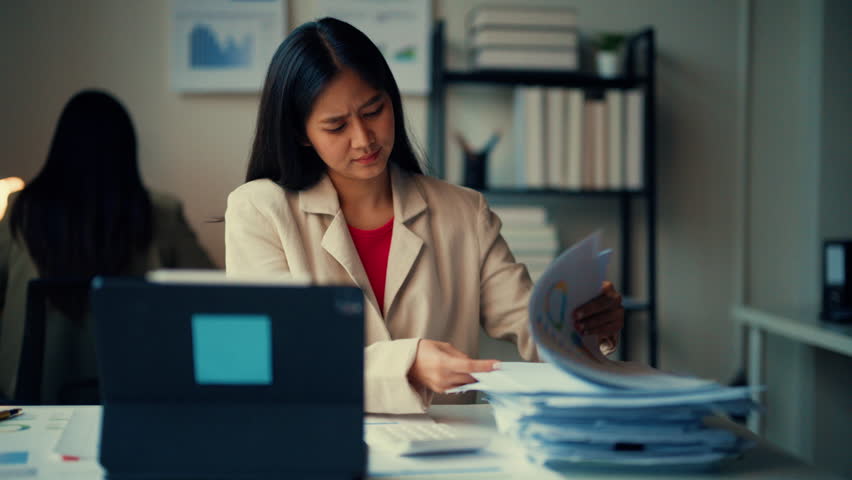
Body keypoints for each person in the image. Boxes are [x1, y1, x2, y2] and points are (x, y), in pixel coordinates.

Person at [225, 18, 624, 414]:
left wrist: (585, 324)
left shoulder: (464, 213)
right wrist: (408, 365)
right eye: (336, 125)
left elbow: (532, 325)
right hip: (314, 437)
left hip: (449, 446)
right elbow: (273, 358)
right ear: (300, 133)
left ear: (391, 100)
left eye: (373, 110)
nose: (364, 139)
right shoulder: (260, 210)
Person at [0, 90, 215, 403]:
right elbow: (211, 292)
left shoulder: (23, 209)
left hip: (30, 395)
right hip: (131, 389)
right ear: (126, 150)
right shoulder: (160, 212)